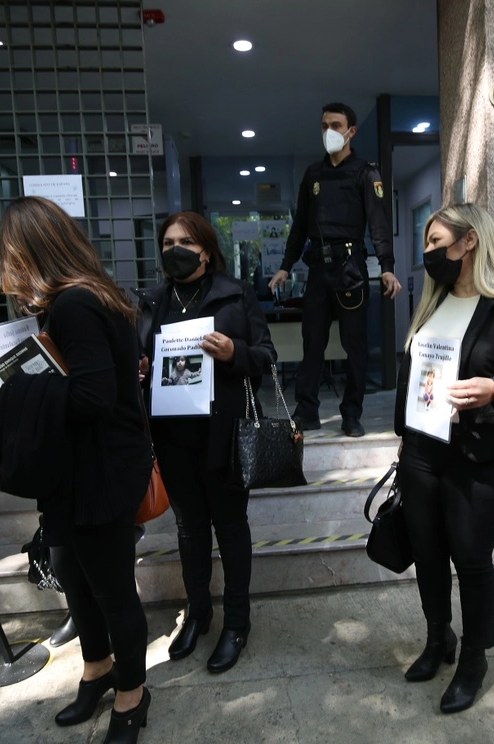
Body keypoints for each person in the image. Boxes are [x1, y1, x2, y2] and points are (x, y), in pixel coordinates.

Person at [0, 196, 152, 738]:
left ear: (30, 251)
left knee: (110, 588)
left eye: (8, 253)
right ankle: (98, 668)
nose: (5, 266)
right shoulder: (83, 297)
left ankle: (132, 693)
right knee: (76, 580)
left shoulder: (77, 304)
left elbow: (93, 396)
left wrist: (7, 400)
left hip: (100, 471)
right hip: (79, 468)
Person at [393, 203, 494, 714]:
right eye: (426, 243)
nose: (428, 253)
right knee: (427, 555)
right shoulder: (431, 304)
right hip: (422, 453)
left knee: (471, 561)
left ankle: (474, 658)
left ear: (469, 243)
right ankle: (438, 638)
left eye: (436, 241)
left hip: (477, 460)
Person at [137, 211, 276, 674]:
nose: (175, 248)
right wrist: (140, 368)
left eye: (186, 241)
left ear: (207, 249)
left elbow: (267, 357)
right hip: (173, 436)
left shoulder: (236, 293)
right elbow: (142, 359)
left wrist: (235, 353)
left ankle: (237, 622)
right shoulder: (154, 301)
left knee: (231, 528)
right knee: (190, 529)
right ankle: (198, 614)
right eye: (168, 241)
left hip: (224, 433)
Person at [268, 102, 402, 438]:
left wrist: (387, 267)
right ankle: (307, 410)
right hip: (317, 270)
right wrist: (286, 266)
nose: (330, 131)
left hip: (351, 269)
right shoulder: (313, 174)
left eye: (337, 125)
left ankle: (351, 413)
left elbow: (379, 224)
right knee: (312, 342)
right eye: (325, 125)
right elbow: (299, 226)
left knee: (354, 344)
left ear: (351, 131)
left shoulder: (365, 173)